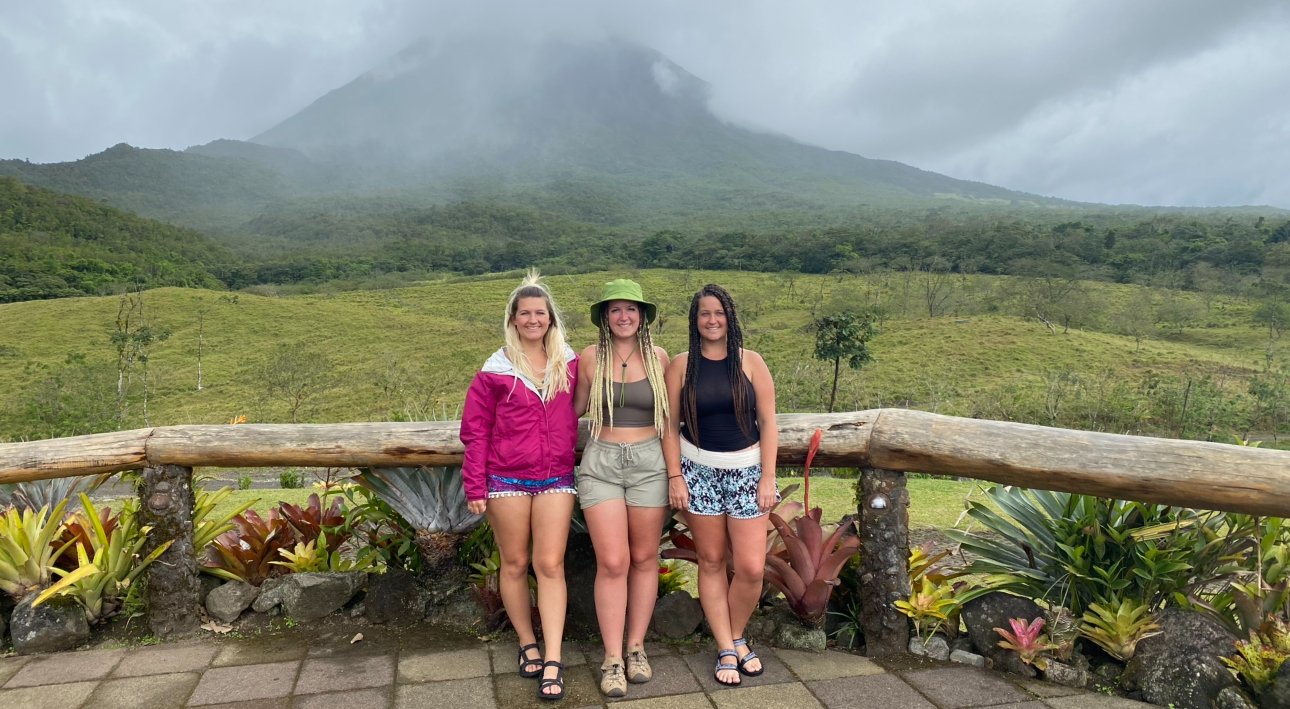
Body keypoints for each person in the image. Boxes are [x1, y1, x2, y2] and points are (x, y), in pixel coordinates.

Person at [460, 271, 578, 701]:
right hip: (505, 478)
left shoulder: (570, 363)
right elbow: (476, 432)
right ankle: (526, 642)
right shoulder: (494, 372)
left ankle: (552, 656)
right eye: (524, 313)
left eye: (540, 313)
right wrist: (476, 485)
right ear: (512, 319)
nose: (533, 319)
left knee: (550, 564)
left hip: (556, 478)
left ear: (550, 319)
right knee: (514, 563)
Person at [662, 283, 779, 687]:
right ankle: (728, 647)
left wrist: (767, 477)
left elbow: (768, 423)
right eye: (704, 314)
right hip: (698, 473)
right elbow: (669, 426)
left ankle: (735, 634)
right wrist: (676, 476)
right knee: (711, 561)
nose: (712, 320)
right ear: (695, 322)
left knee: (749, 567)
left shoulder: (751, 362)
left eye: (719, 312)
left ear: (730, 317)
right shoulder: (681, 365)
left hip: (747, 472)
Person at [572, 279, 671, 698]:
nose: (624, 316)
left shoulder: (661, 357)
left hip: (650, 462)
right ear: (605, 317)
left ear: (643, 315)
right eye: (615, 309)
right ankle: (611, 657)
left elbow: (671, 418)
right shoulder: (590, 357)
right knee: (613, 561)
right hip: (602, 463)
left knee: (646, 557)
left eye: (632, 309)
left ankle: (636, 648)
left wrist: (677, 474)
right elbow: (571, 409)